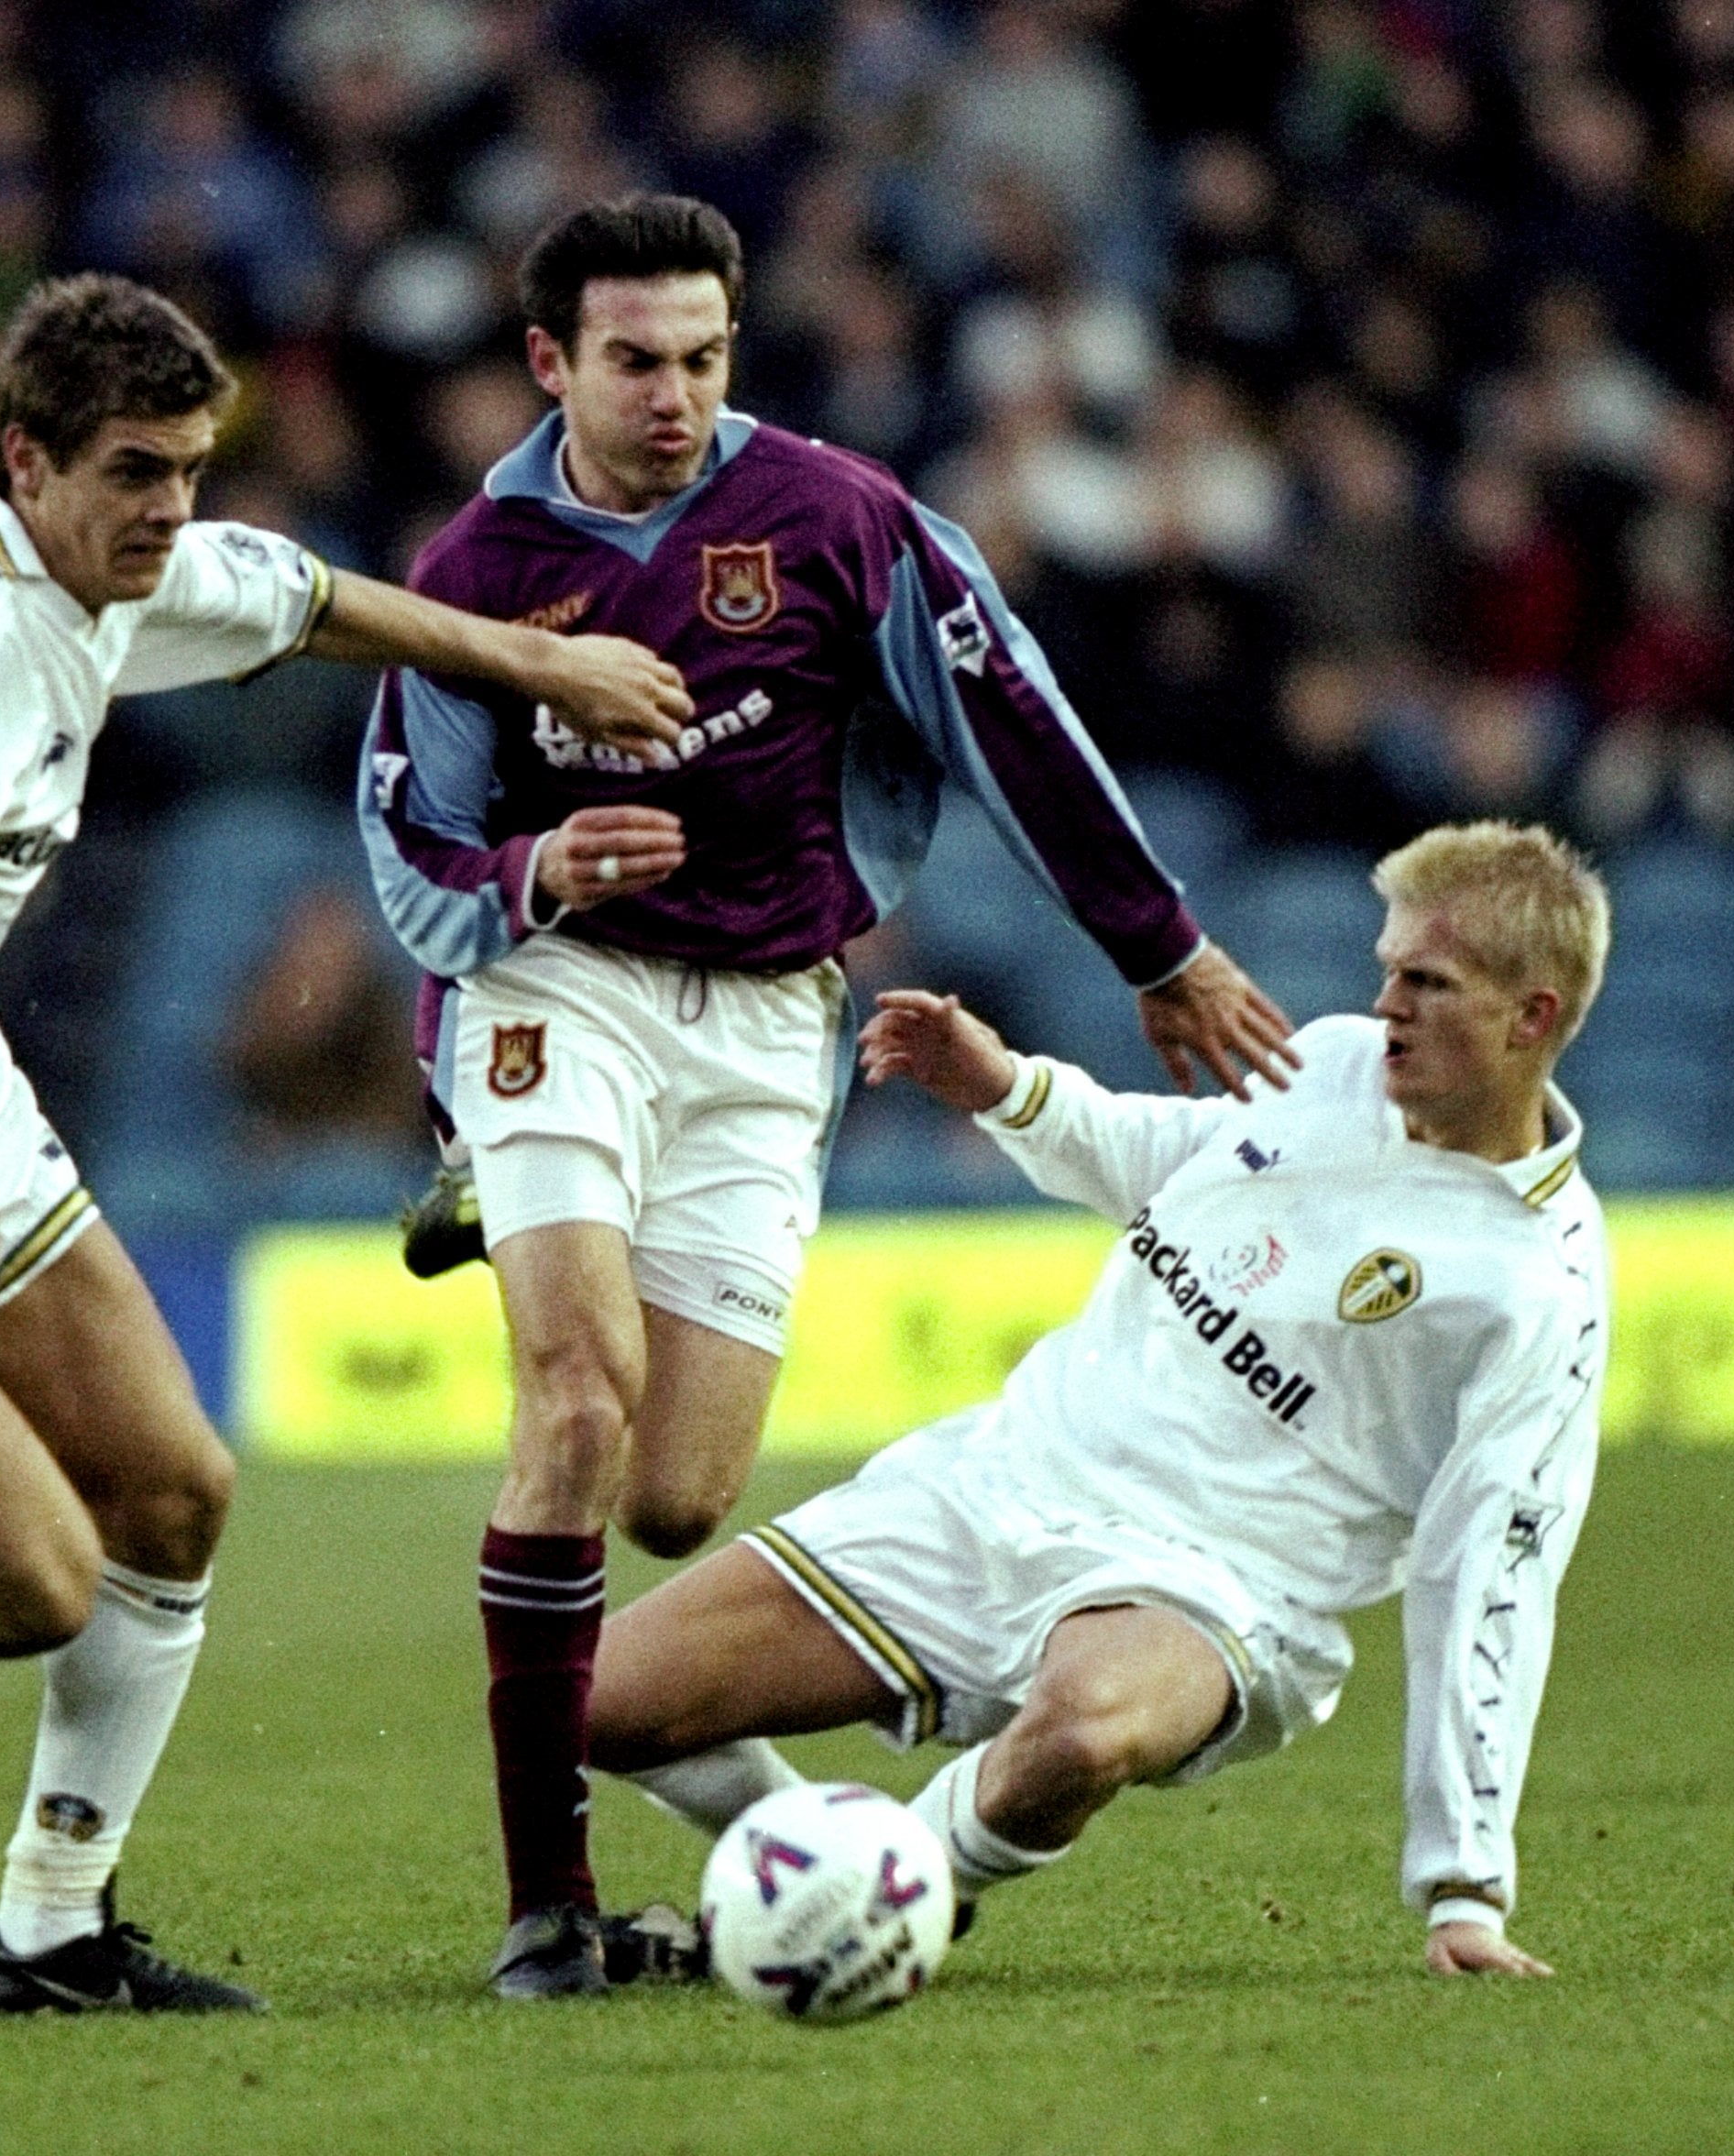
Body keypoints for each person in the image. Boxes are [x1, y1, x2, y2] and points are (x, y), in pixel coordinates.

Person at [0, 272, 691, 2017]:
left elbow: (305, 597)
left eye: (191, 465)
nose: (171, 508)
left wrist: (535, 657)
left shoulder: (105, 558)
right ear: (21, 461)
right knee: (32, 1578)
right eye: (135, 472)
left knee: (176, 1490)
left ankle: (51, 1930)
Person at [356, 193, 1296, 1996]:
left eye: (705, 357)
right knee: (572, 1405)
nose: (676, 394)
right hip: (556, 983)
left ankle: (795, 1858)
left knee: (679, 1502)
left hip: (773, 1016)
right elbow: (411, 846)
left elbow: (1007, 715)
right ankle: (547, 1911)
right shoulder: (475, 573)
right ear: (552, 362)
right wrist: (541, 875)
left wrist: (1156, 946)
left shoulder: (841, 524)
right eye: (636, 360)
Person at [585, 821, 1610, 1982]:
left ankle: (893, 1886)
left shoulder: (1537, 1287)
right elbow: (1167, 1154)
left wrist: (1463, 1887)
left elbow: (1492, 1577)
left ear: (1531, 1016)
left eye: (1427, 984)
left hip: (1218, 1588)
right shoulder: (1331, 1065)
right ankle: (822, 1869)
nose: (1386, 1006)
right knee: (594, 1700)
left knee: (1080, 1734)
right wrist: (1007, 1089)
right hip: (1001, 1485)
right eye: (1386, 971)